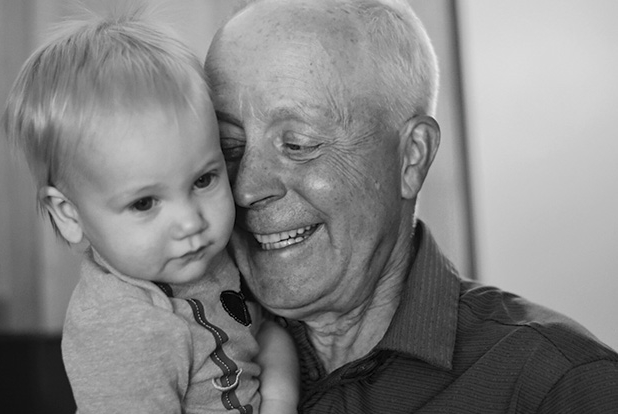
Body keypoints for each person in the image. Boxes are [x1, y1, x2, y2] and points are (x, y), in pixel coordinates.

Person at [204, 0, 618, 412]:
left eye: (298, 145)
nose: (247, 189)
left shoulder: (559, 385)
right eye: (229, 146)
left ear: (412, 157)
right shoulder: (185, 343)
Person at [3, 7, 297, 414]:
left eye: (203, 180)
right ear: (68, 215)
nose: (191, 221)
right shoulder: (123, 330)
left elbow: (267, 337)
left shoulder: (215, 257)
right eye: (144, 203)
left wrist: (280, 402)